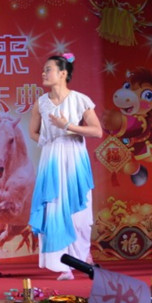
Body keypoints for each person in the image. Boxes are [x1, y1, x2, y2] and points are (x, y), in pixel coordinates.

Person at [28, 53, 103, 280]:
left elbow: (97, 131)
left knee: (79, 214)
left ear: (63, 73)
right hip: (51, 158)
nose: (43, 73)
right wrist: (48, 140)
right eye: (43, 69)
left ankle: (82, 256)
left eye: (48, 69)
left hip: (74, 156)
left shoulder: (80, 100)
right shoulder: (41, 103)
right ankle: (63, 265)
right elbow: (33, 132)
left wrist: (68, 126)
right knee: (54, 209)